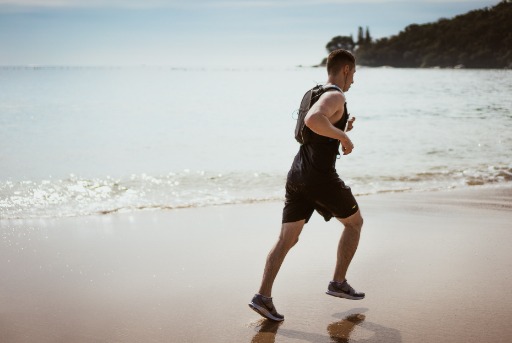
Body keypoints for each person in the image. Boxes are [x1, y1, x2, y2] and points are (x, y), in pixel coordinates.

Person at [249, 49, 365, 322]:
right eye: (354, 74)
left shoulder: (314, 92)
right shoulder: (336, 95)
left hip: (297, 175)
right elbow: (314, 120)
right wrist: (343, 138)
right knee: (355, 223)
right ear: (346, 69)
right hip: (319, 178)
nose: (354, 82)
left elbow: (308, 131)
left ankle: (262, 296)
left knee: (287, 239)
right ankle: (338, 282)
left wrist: (339, 129)